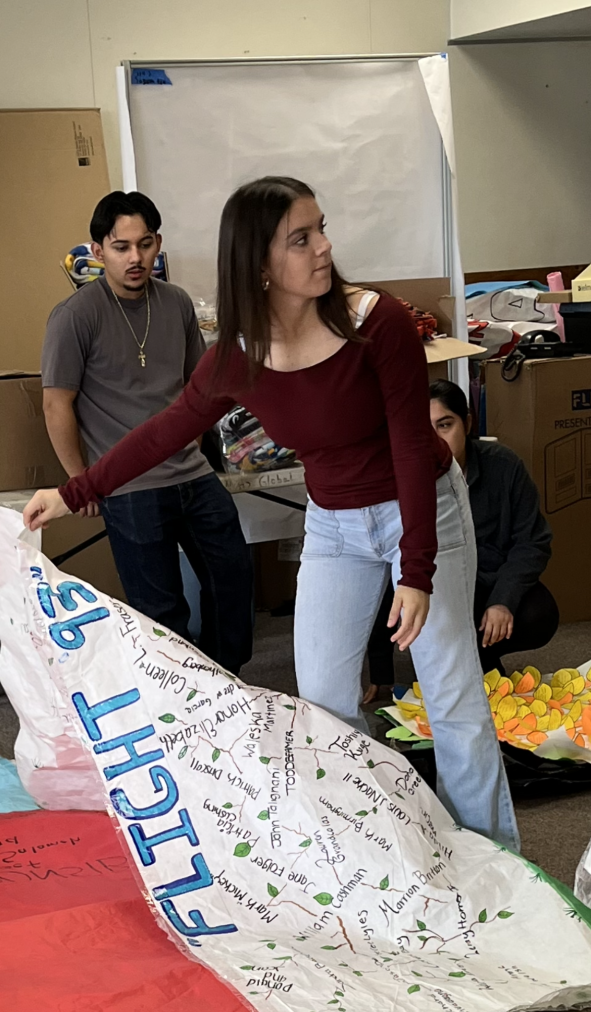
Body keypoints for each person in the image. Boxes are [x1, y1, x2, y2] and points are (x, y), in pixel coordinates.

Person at [24, 176, 519, 851]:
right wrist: (73, 490)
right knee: (323, 704)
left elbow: (410, 444)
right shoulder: (240, 354)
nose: (325, 247)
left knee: (450, 694)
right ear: (258, 262)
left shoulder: (377, 322)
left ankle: (496, 859)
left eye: (321, 229)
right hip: (336, 525)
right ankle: (375, 850)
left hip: (422, 506)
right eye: (301, 238)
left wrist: (416, 571)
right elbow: (163, 431)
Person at [41, 189, 253, 674]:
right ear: (98, 251)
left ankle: (224, 683)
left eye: (145, 244)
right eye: (121, 247)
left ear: (158, 243)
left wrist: (194, 445)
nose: (135, 258)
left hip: (193, 474)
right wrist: (81, 482)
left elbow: (198, 388)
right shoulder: (74, 316)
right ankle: (179, 697)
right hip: (128, 485)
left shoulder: (175, 303)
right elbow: (56, 406)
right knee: (160, 612)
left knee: (233, 580)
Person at [363, 379, 558, 700]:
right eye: (422, 429)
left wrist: (503, 601)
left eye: (444, 425)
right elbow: (380, 569)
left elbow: (532, 542)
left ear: (467, 424)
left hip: (488, 582)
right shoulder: (397, 479)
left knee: (539, 613)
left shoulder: (504, 466)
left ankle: (479, 656)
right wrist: (381, 669)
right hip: (434, 588)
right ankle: (471, 661)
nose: (434, 440)